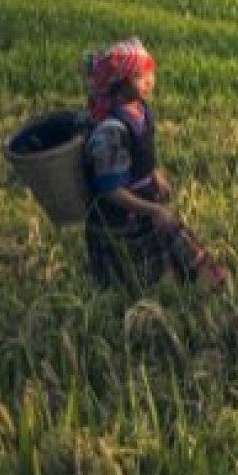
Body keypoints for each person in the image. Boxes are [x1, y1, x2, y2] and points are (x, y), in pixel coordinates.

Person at [80, 38, 228, 290]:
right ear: (120, 84)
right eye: (139, 76)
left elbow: (143, 153)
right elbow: (111, 190)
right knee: (141, 269)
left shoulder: (141, 110)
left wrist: (154, 174)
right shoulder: (111, 131)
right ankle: (194, 282)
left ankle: (204, 278)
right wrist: (152, 209)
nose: (149, 80)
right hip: (119, 217)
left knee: (171, 237)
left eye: (150, 73)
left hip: (144, 201)